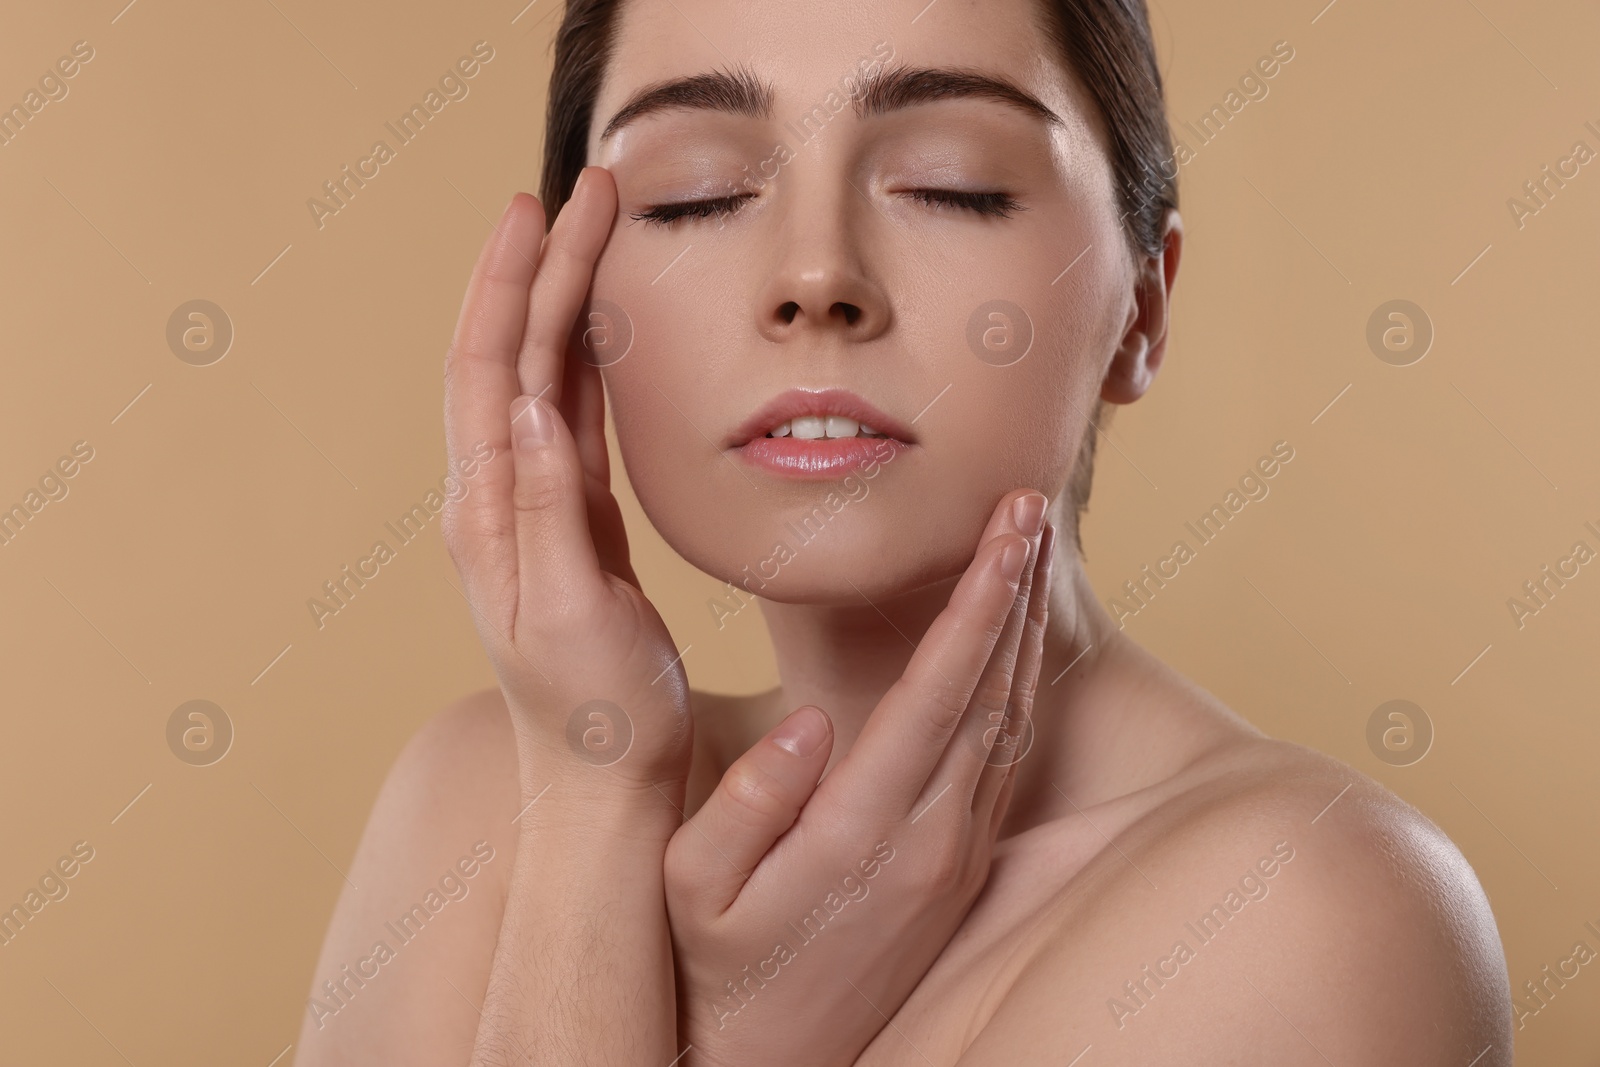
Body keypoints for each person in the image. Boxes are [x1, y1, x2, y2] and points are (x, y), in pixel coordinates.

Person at [297, 0, 1513, 1062]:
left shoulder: (1309, 906)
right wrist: (594, 793)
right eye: (696, 194)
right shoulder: (485, 808)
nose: (816, 274)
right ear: (573, 300)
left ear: (1141, 306)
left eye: (950, 181)